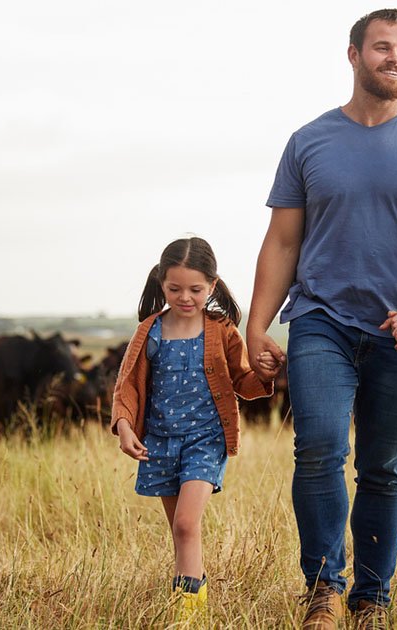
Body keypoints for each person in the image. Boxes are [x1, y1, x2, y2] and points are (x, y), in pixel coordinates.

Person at [246, 8, 397, 628]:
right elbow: (283, 242)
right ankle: (323, 589)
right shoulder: (309, 141)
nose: (394, 58)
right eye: (381, 48)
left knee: (382, 468)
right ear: (353, 56)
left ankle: (372, 598)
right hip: (321, 319)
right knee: (317, 448)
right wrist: (256, 326)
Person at [110, 237, 275, 624]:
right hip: (160, 441)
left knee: (187, 524)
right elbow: (127, 386)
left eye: (196, 290)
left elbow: (243, 381)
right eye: (175, 289)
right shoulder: (148, 331)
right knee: (181, 532)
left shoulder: (221, 330)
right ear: (161, 284)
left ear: (212, 286)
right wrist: (122, 425)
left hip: (206, 439)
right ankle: (190, 603)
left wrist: (265, 375)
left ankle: (189, 617)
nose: (186, 297)